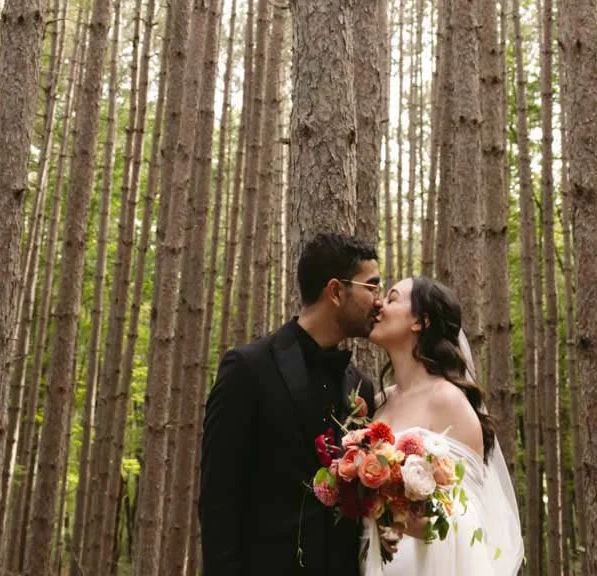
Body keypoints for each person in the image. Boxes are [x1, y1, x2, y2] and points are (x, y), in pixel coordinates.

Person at [200, 232, 383, 576]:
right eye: (371, 286)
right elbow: (218, 502)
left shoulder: (362, 386)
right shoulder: (248, 369)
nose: (379, 300)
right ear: (335, 291)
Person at [362, 277, 523, 575]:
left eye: (393, 298)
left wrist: (396, 515)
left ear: (420, 322)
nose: (380, 304)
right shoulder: (379, 402)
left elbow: (466, 515)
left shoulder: (449, 401)